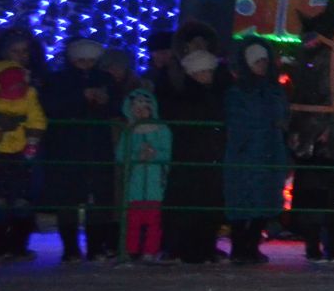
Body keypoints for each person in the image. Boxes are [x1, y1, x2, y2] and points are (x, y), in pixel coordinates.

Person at [40, 38, 120, 262]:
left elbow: (116, 106)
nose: (86, 65)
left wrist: (104, 101)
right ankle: (71, 249)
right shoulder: (58, 80)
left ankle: (94, 247)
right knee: (68, 200)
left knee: (98, 200)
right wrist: (80, 99)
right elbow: (51, 107)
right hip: (69, 148)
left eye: (90, 61)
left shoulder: (104, 80)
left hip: (95, 147)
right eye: (81, 61)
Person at [223, 40, 290, 265]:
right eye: (257, 62)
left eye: (264, 61)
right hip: (247, 152)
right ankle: (240, 246)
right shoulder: (239, 92)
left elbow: (284, 115)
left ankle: (252, 245)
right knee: (243, 201)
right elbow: (239, 120)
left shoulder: (274, 90)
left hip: (270, 151)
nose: (261, 65)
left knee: (265, 200)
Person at [164, 45, 228, 264]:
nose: (206, 76)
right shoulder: (188, 98)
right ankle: (191, 248)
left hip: (205, 156)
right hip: (194, 157)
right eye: (202, 72)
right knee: (194, 204)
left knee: (205, 205)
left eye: (208, 72)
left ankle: (203, 246)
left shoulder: (209, 95)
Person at [116, 85, 172, 264]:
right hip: (136, 184)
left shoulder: (161, 129)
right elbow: (120, 154)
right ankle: (131, 249)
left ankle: (150, 250)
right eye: (137, 110)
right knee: (134, 219)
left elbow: (168, 152)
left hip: (156, 183)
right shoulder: (130, 131)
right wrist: (135, 156)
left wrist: (155, 154)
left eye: (144, 109)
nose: (141, 113)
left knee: (154, 221)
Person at [0, 59, 46, 259]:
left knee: (21, 201)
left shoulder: (29, 95)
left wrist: (32, 138)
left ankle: (18, 246)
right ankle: (1, 247)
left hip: (20, 153)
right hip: (0, 154)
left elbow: (37, 119)